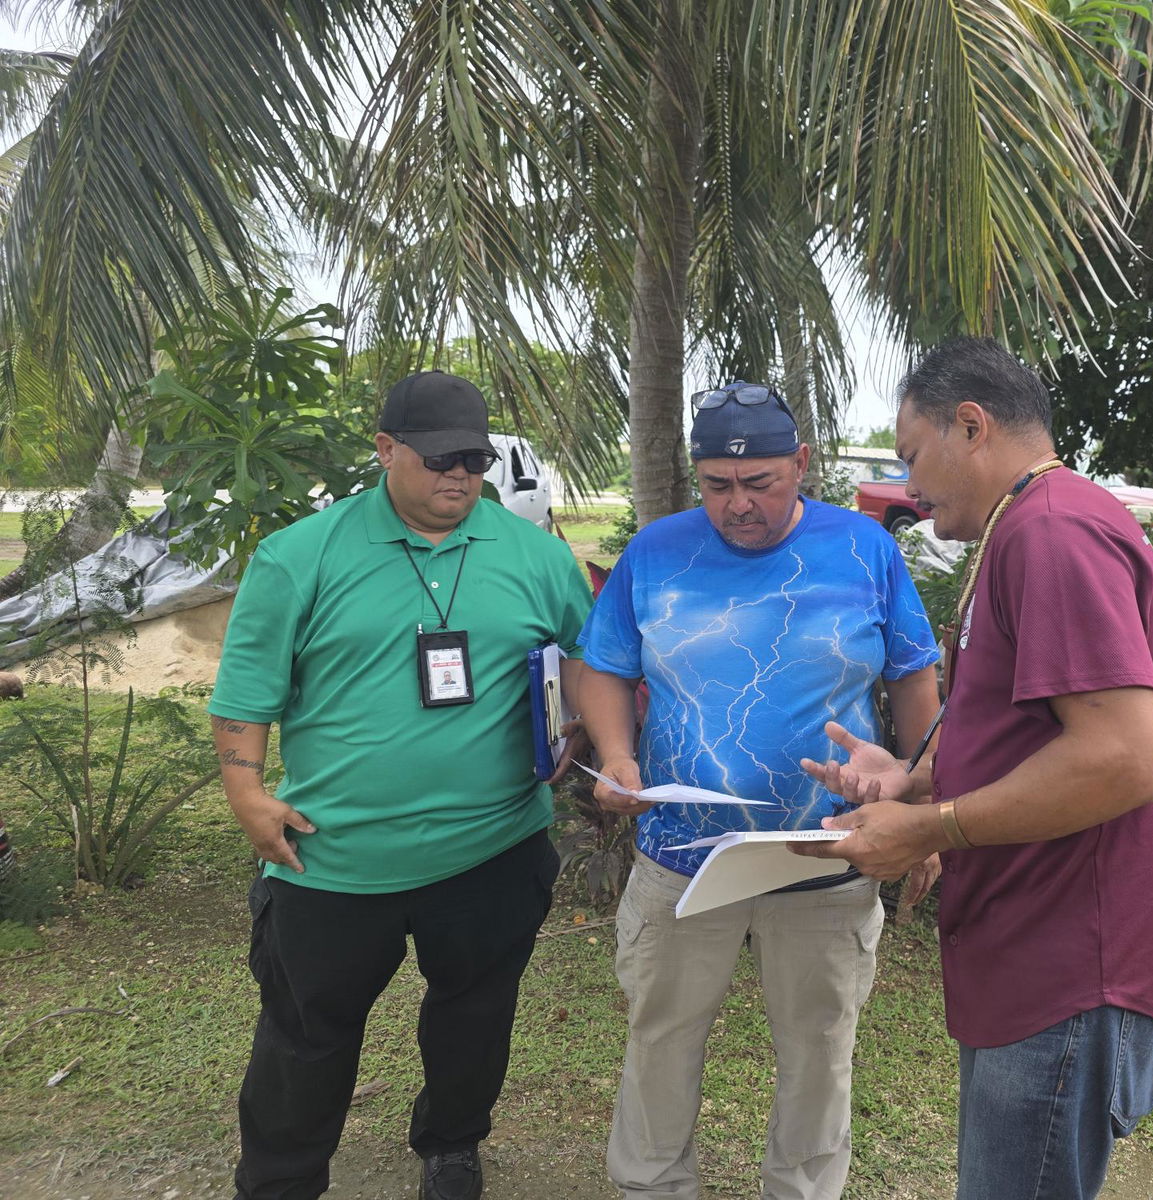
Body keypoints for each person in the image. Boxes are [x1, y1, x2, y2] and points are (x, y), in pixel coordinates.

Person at [793, 338, 1153, 1200]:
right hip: (1039, 948)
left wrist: (930, 827)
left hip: (1073, 960)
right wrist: (913, 778)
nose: (908, 485)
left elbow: (1122, 759)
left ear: (972, 425)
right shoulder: (1026, 526)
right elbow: (1027, 727)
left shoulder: (1054, 532)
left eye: (913, 454)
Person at [208, 371, 593, 1200]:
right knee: (305, 1039)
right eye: (440, 458)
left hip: (492, 851)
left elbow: (589, 658)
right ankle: (280, 1178)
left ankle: (452, 1143)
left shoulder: (536, 556)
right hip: (333, 857)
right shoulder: (299, 557)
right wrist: (246, 791)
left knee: (475, 1015)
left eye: (477, 460)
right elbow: (245, 694)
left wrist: (582, 726)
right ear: (385, 450)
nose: (460, 475)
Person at [578, 380, 942, 1200]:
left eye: (760, 483)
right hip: (680, 855)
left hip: (827, 852)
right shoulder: (657, 550)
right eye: (717, 485)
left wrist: (914, 802)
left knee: (820, 1048)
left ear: (801, 465)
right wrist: (616, 753)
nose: (737, 504)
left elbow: (916, 678)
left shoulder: (863, 548)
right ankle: (652, 1188)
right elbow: (605, 665)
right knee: (660, 1037)